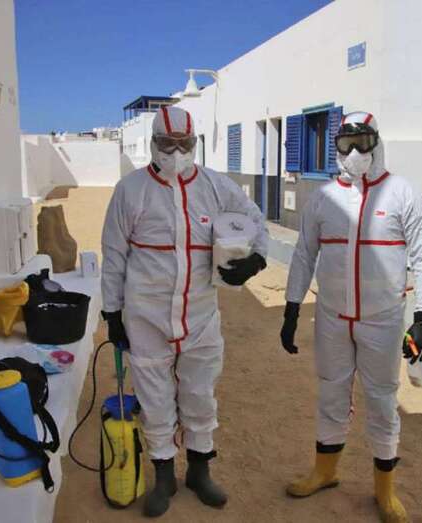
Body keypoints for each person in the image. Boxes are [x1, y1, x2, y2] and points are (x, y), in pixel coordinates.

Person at [101, 106, 268, 517]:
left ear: (195, 144)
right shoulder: (131, 190)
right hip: (146, 316)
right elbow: (114, 255)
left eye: (185, 145)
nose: (176, 153)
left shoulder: (216, 186)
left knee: (199, 394)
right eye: (166, 144)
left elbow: (254, 218)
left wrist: (258, 258)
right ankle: (163, 478)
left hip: (201, 314)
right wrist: (112, 313)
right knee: (154, 398)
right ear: (153, 143)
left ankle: (198, 471)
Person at [280, 111, 422, 522]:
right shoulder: (324, 198)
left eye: (362, 143)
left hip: (382, 319)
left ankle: (385, 491)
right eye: (346, 145)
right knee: (331, 392)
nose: (354, 153)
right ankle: (324, 472)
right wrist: (292, 306)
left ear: (376, 143)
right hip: (333, 316)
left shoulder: (402, 193)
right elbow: (303, 254)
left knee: (382, 400)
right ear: (336, 148)